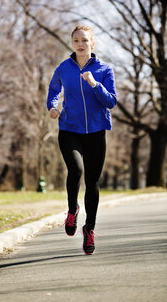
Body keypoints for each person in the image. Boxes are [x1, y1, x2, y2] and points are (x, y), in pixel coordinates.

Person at [47, 25, 117, 255]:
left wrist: (94, 84)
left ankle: (90, 229)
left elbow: (111, 102)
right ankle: (72, 210)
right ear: (72, 43)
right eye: (76, 40)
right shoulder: (64, 68)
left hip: (96, 132)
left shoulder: (104, 69)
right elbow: (54, 88)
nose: (80, 44)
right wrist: (52, 106)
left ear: (92, 43)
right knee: (75, 171)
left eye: (84, 40)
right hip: (69, 129)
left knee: (93, 183)